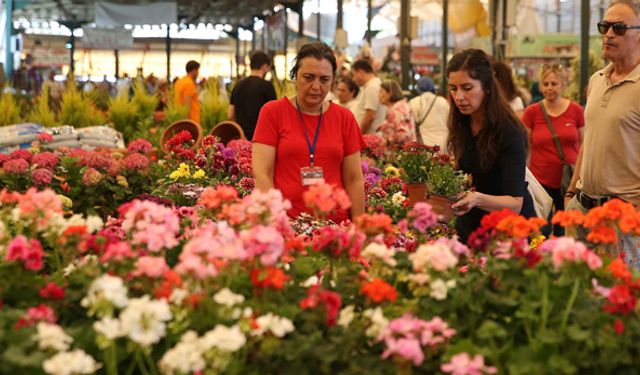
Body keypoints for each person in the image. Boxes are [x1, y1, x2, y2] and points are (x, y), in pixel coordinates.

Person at [252, 42, 365, 223]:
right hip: (288, 223)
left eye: (324, 79)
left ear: (333, 80)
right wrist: (273, 222)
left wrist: (361, 228)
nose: (316, 86)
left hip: (334, 226)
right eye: (308, 77)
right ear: (295, 76)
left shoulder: (344, 118)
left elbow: (354, 179)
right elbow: (262, 173)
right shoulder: (273, 112)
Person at [565, 0, 640, 265]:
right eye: (604, 26)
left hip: (623, 220)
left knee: (618, 300)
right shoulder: (597, 79)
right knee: (576, 296)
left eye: (619, 28)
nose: (608, 34)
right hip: (582, 210)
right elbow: (589, 141)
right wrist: (571, 193)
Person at [448, 49, 536, 242]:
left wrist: (477, 198)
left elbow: (515, 203)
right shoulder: (462, 122)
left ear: (487, 87)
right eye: (453, 88)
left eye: (467, 87)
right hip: (472, 228)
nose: (459, 97)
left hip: (508, 234)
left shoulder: (509, 131)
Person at [522, 63, 584, 236]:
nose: (549, 88)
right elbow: (526, 146)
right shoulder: (532, 112)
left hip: (569, 178)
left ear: (563, 85)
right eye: (546, 84)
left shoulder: (576, 111)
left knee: (566, 224)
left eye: (554, 83)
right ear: (540, 86)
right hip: (541, 177)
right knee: (540, 225)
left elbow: (583, 143)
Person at [228, 51, 277, 140]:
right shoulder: (267, 86)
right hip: (261, 139)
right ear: (265, 67)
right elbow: (274, 116)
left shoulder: (238, 85)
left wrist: (241, 134)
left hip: (241, 139)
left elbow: (230, 114)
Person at [409, 76, 450, 151]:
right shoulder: (443, 101)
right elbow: (450, 120)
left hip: (424, 142)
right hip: (443, 142)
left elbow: (411, 124)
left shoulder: (414, 102)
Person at [377, 79, 417, 146]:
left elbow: (403, 133)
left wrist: (387, 142)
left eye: (381, 92)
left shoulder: (396, 109)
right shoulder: (400, 106)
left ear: (390, 93)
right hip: (408, 151)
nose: (378, 95)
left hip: (400, 153)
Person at [351, 59, 386, 134]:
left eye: (354, 74)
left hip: (368, 137)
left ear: (361, 72)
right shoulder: (370, 86)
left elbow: (370, 116)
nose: (353, 79)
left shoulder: (372, 87)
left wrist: (359, 136)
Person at [174, 60, 201, 124]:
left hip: (180, 116)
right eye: (197, 70)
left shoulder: (179, 82)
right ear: (194, 70)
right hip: (191, 120)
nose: (198, 73)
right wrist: (187, 122)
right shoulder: (189, 83)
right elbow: (187, 103)